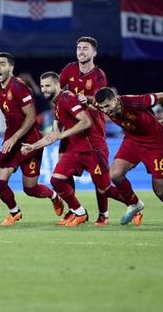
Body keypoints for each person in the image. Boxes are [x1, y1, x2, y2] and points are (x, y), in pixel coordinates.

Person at [0, 53, 63, 226]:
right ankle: (14, 212)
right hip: (11, 142)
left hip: (30, 142)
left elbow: (31, 117)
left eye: (2, 64)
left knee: (30, 189)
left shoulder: (19, 86)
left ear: (11, 68)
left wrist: (14, 138)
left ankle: (54, 196)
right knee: (0, 182)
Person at [22, 72, 112, 227]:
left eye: (48, 86)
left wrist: (62, 135)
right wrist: (33, 146)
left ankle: (134, 203)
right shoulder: (58, 104)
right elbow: (53, 134)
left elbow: (85, 122)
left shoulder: (67, 99)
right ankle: (79, 212)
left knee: (105, 188)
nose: (44, 90)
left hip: (93, 148)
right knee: (57, 180)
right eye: (42, 86)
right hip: (77, 149)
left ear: (58, 85)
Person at [59, 36, 127, 225]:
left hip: (92, 131)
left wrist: (86, 99)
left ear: (94, 53)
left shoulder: (99, 75)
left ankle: (108, 213)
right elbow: (58, 89)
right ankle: (75, 211)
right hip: (71, 130)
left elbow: (102, 101)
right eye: (79, 48)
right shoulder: (69, 69)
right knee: (63, 173)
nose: (81, 51)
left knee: (100, 180)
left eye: (86, 48)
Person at [95, 87, 163, 227]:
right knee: (115, 174)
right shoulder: (100, 105)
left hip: (155, 143)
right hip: (132, 141)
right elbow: (89, 101)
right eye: (102, 107)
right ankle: (134, 204)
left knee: (160, 190)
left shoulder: (134, 102)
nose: (106, 110)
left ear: (115, 99)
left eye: (107, 106)